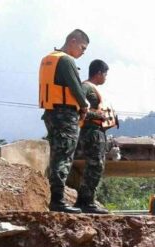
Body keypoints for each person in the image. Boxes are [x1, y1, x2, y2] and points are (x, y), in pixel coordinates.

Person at [39, 29, 91, 213]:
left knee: (56, 155)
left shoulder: (48, 58)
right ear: (73, 41)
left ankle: (56, 199)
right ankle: (58, 201)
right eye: (82, 47)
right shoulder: (66, 60)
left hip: (51, 113)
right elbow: (77, 89)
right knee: (64, 157)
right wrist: (84, 107)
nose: (83, 52)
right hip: (65, 115)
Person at [74, 59, 118, 214]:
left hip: (98, 132)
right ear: (99, 73)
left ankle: (83, 201)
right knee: (95, 166)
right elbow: (78, 107)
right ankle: (87, 202)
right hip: (91, 132)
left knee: (95, 166)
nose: (105, 78)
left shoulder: (93, 89)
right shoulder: (86, 87)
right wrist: (97, 114)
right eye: (105, 74)